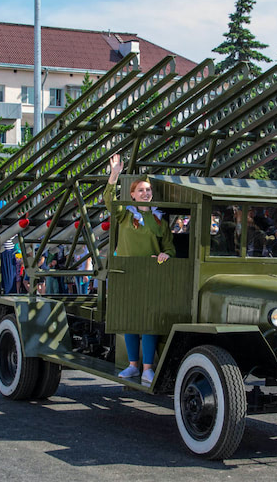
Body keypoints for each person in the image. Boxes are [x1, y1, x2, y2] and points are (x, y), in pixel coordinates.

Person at [105, 153, 175, 384]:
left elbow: (170, 249)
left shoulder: (160, 221)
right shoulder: (125, 214)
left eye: (148, 190)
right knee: (130, 321)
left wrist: (165, 255)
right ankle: (133, 366)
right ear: (132, 194)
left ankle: (147, 368)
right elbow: (108, 201)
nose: (146, 193)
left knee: (148, 323)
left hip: (151, 276)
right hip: (127, 274)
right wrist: (115, 175)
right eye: (141, 190)